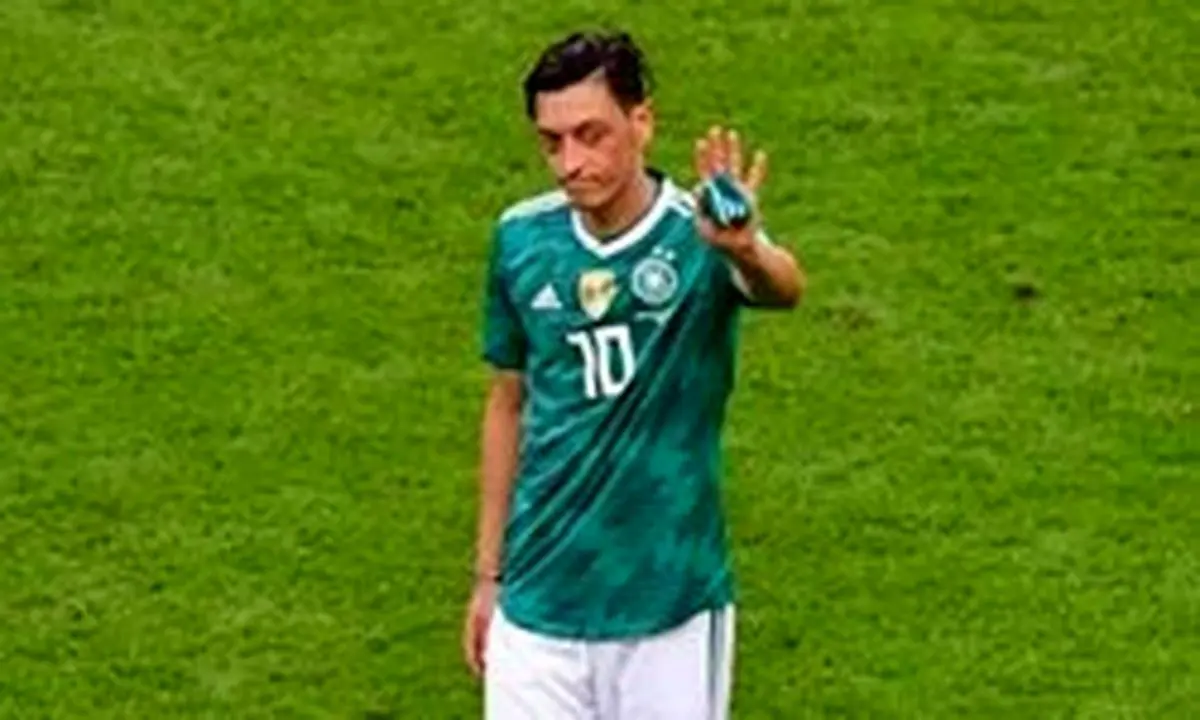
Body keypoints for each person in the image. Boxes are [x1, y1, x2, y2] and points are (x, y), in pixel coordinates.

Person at [462, 28, 806, 719]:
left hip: (667, 604)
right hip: (538, 603)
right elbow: (509, 403)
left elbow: (785, 289)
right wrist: (488, 575)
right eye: (552, 142)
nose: (570, 163)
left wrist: (745, 251)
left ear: (641, 122)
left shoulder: (697, 233)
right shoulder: (521, 239)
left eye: (591, 135)